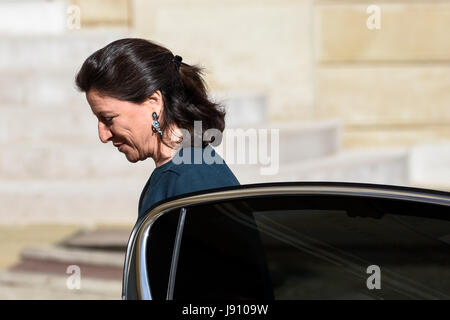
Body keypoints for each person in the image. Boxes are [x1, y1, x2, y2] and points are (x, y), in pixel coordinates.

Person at [75, 38, 240, 220]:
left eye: (108, 119)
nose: (103, 135)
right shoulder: (181, 171)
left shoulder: (193, 178)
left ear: (154, 102)